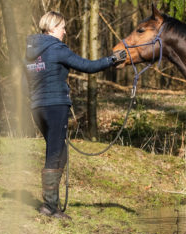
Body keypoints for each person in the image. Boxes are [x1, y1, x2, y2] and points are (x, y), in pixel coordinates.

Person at [25, 11, 126, 219]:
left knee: (59, 152)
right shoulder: (57, 49)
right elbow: (88, 66)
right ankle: (49, 207)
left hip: (37, 108)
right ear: (52, 28)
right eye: (62, 27)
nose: (65, 31)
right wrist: (112, 60)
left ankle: (53, 204)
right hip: (55, 107)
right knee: (54, 153)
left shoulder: (30, 53)